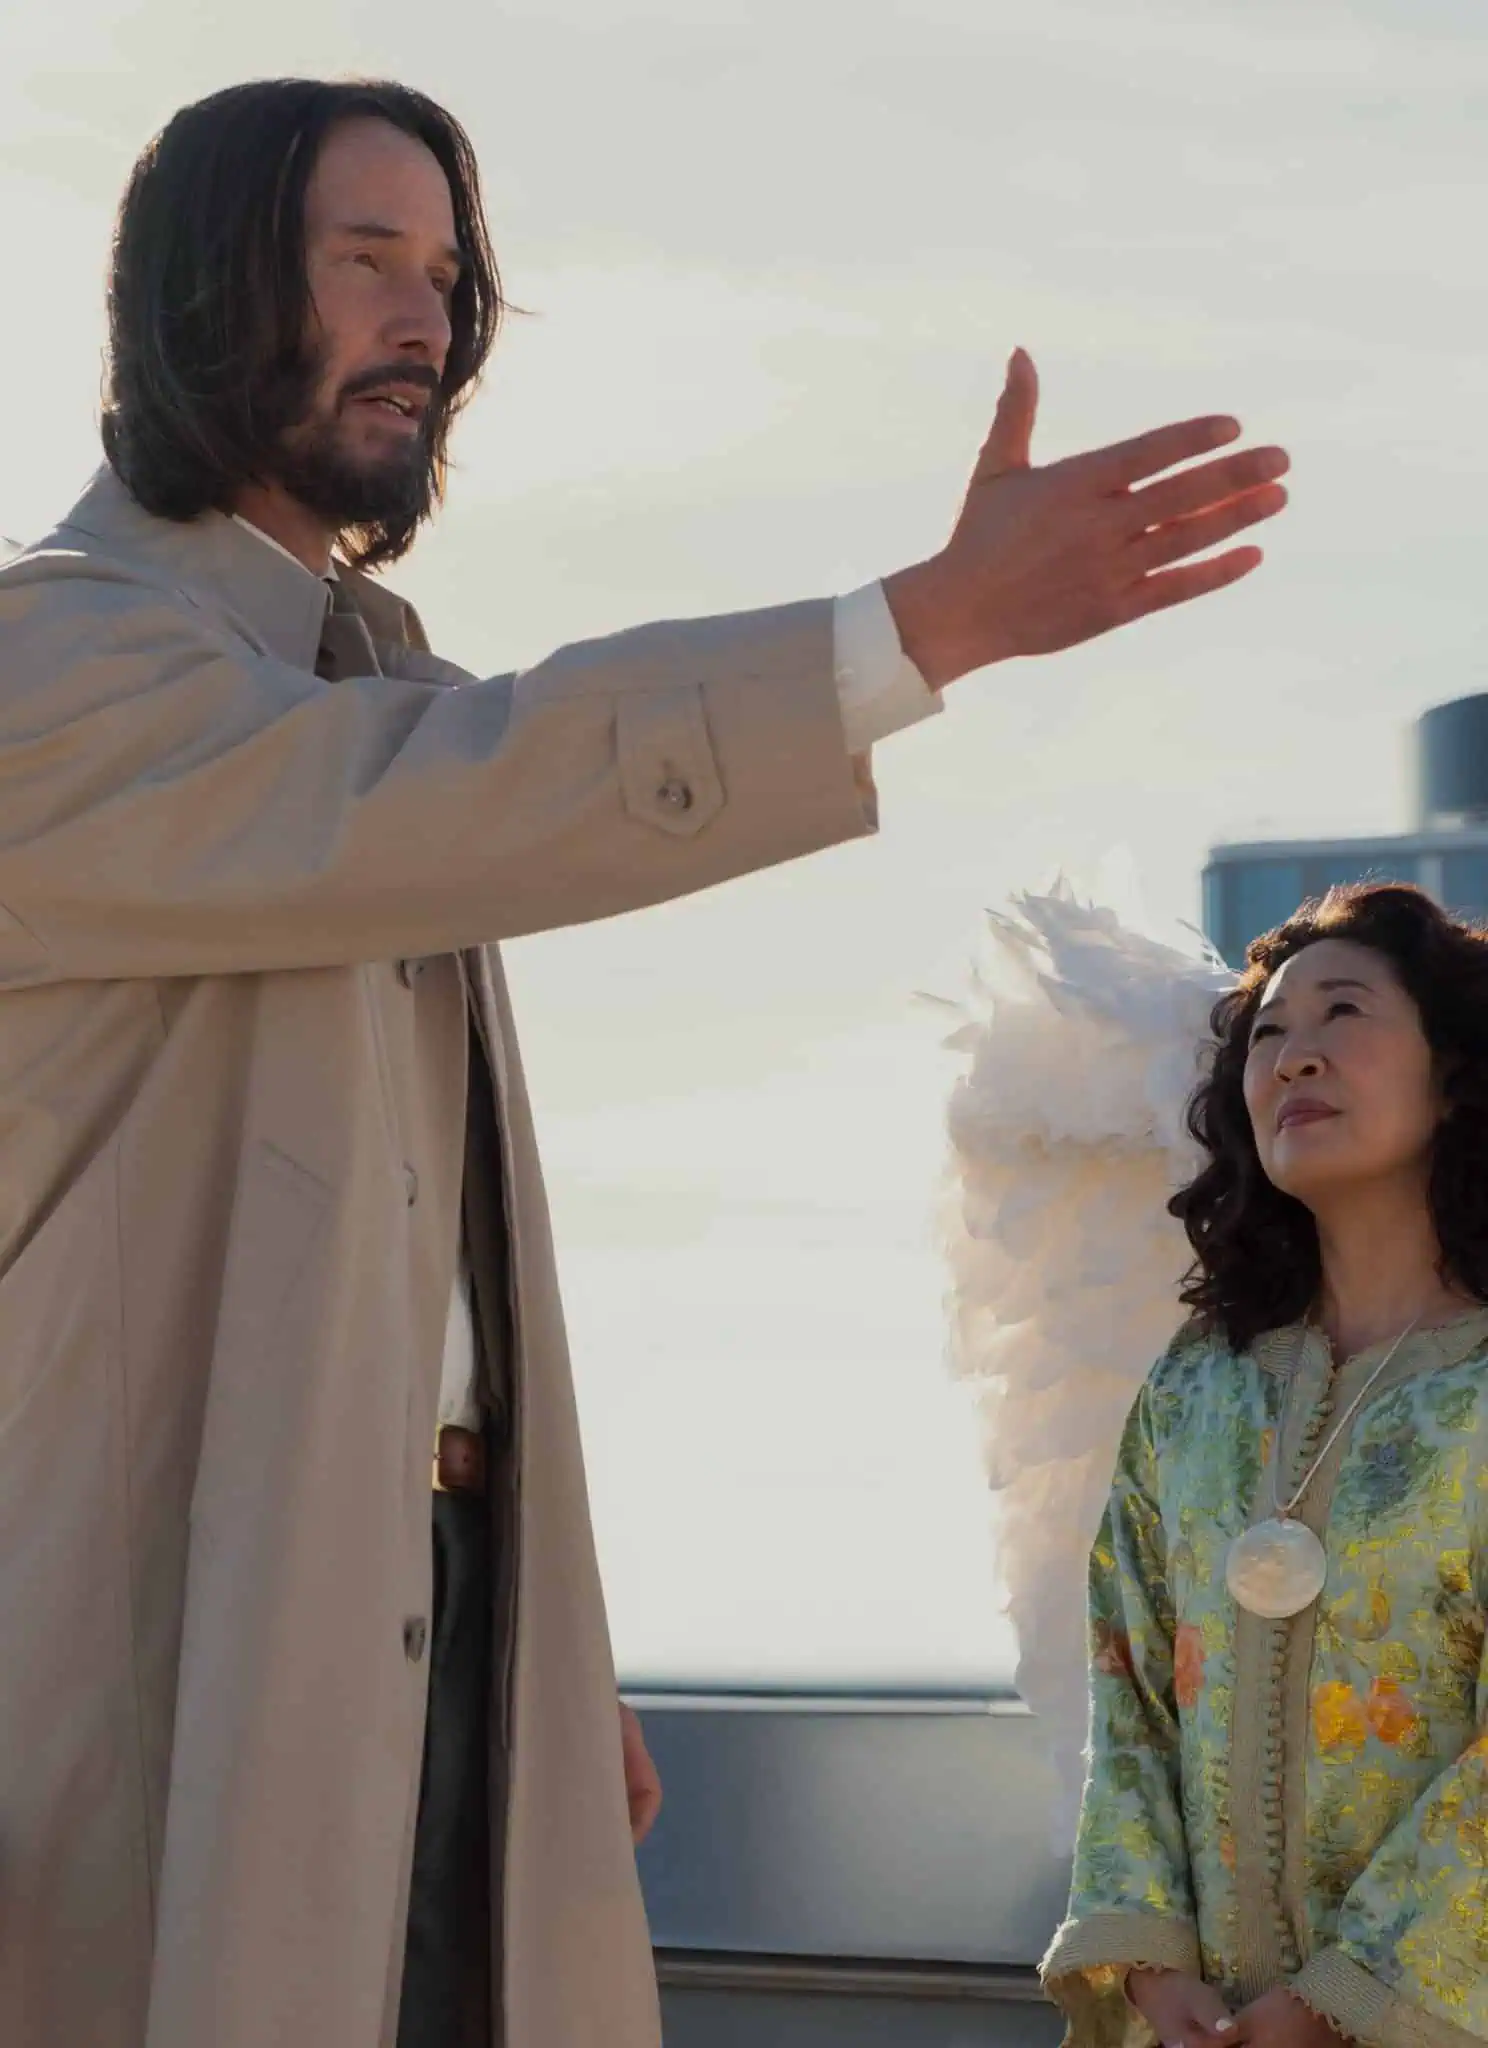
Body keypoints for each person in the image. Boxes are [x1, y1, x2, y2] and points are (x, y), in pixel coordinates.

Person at [0, 75, 1289, 2048]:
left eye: (447, 275)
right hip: (165, 1651)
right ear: (197, 288)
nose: (427, 321)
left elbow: (408, 1254)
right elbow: (467, 791)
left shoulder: (368, 690)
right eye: (364, 261)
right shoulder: (64, 667)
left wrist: (522, 1630)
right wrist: (917, 630)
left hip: (406, 1615)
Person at [1039, 883, 1488, 2048]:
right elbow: (1127, 1679)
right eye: (1268, 1034)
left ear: (1454, 1074)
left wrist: (1340, 2002)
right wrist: (1147, 1958)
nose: (1294, 1057)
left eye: (1344, 1014)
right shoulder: (1197, 1388)